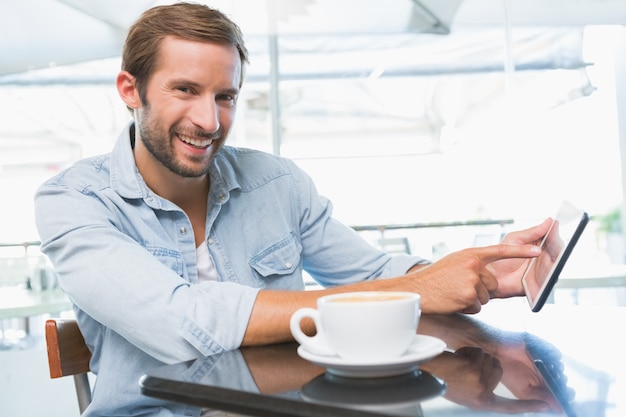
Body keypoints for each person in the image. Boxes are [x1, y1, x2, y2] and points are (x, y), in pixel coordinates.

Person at [34, 3, 549, 416]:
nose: (210, 120)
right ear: (131, 90)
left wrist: (470, 272)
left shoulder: (277, 183)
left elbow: (372, 271)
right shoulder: (72, 201)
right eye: (186, 90)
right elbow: (181, 321)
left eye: (226, 96)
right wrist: (417, 288)